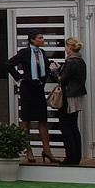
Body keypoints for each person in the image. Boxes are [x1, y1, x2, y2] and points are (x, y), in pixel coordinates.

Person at [7, 32, 58, 163]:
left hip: (39, 88)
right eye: (40, 38)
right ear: (32, 40)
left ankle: (47, 150)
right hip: (27, 89)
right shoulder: (24, 52)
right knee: (26, 120)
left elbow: (46, 68)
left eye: (42, 37)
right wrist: (20, 78)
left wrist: (51, 72)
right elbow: (8, 64)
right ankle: (28, 150)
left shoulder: (42, 53)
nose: (43, 40)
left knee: (42, 119)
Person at [56, 37, 87, 166]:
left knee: (65, 126)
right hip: (77, 95)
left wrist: (54, 71)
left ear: (69, 47)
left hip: (68, 97)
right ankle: (76, 156)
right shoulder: (80, 61)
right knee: (74, 126)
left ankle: (70, 157)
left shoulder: (71, 62)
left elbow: (62, 80)